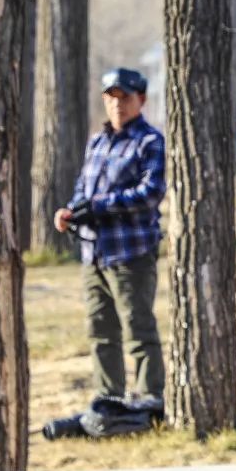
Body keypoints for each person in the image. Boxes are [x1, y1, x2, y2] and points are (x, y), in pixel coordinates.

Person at [55, 67, 166, 410]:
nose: (118, 105)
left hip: (131, 253)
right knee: (100, 330)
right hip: (93, 254)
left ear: (141, 100)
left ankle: (149, 399)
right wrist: (71, 211)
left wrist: (99, 207)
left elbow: (149, 193)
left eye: (125, 98)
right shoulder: (97, 142)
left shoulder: (149, 141)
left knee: (139, 329)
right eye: (111, 98)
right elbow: (83, 190)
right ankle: (110, 397)